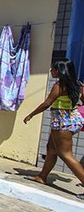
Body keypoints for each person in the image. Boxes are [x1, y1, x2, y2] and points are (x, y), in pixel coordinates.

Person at [23, 59, 84, 198]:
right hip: (72, 120)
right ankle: (42, 176)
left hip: (62, 123)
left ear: (60, 71)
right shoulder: (79, 85)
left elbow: (47, 103)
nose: (51, 71)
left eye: (53, 69)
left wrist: (31, 115)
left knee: (65, 154)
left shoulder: (59, 85)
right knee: (51, 149)